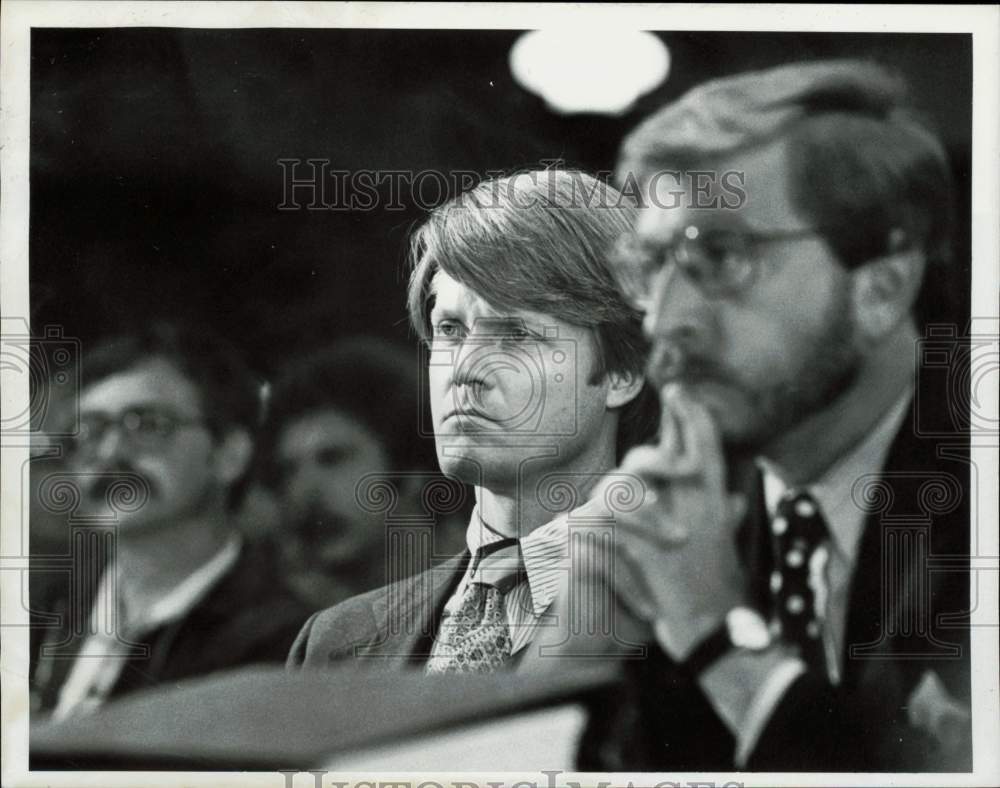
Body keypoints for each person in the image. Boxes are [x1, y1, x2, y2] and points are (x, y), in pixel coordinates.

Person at [540, 59, 972, 771]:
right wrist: (570, 654)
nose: (666, 321)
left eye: (721, 256)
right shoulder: (683, 514)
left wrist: (717, 638)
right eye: (653, 267)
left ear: (883, 289)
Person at [287, 169, 660, 672]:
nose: (465, 370)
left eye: (516, 335)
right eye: (450, 330)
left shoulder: (683, 619)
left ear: (622, 370)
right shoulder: (332, 643)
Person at [29, 322, 311, 718]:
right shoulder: (40, 611)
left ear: (229, 454)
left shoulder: (282, 640)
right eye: (89, 432)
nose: (110, 454)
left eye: (146, 425)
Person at [256, 338, 467, 609]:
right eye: (288, 471)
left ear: (411, 472)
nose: (302, 491)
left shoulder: (496, 589)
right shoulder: (293, 625)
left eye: (333, 459)